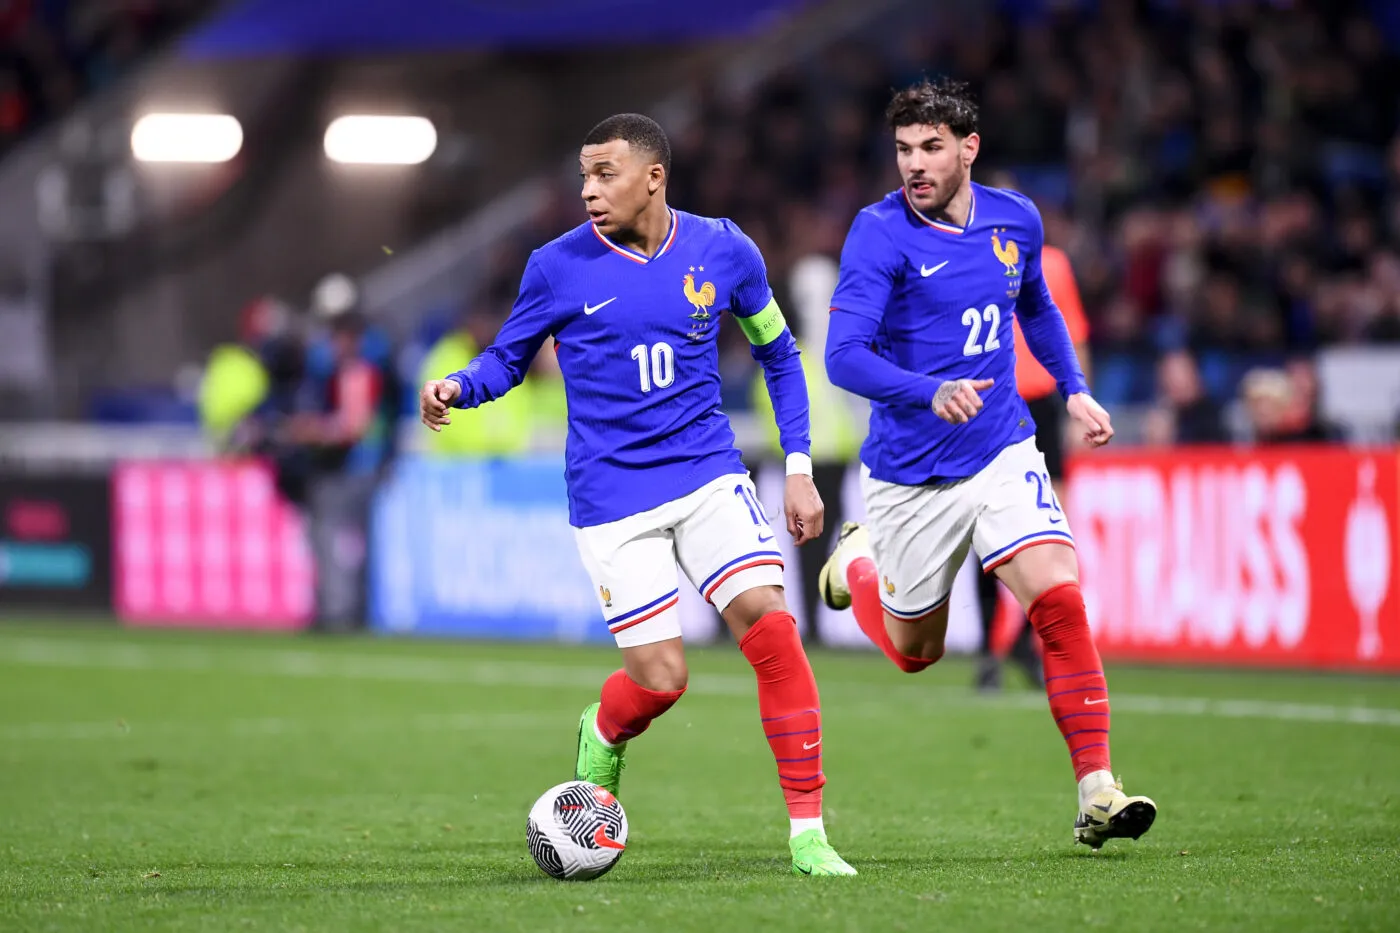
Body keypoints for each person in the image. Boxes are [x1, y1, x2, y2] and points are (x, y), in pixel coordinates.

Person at [420, 114, 855, 876]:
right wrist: (459, 385)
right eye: (583, 176)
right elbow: (508, 359)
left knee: (773, 630)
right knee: (663, 678)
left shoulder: (725, 249)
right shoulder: (556, 266)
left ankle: (809, 833)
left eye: (605, 174)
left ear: (654, 176)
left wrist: (795, 465)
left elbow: (779, 355)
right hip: (612, 495)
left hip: (708, 473)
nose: (589, 190)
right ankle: (604, 730)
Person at [818, 78, 1157, 850]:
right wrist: (926, 390)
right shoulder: (878, 234)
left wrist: (1073, 388)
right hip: (910, 474)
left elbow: (1034, 305)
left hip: (1003, 447)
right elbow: (843, 356)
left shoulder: (1017, 219)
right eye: (903, 149)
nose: (915, 164)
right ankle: (857, 563)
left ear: (968, 149)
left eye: (931, 147)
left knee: (1060, 600)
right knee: (917, 653)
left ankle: (1098, 790)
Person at [973, 238, 1090, 692]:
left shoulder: (1051, 262)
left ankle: (1022, 640)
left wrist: (1081, 399)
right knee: (980, 525)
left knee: (1052, 529)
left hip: (1041, 402)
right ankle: (987, 650)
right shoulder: (966, 256)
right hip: (990, 399)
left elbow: (1074, 333)